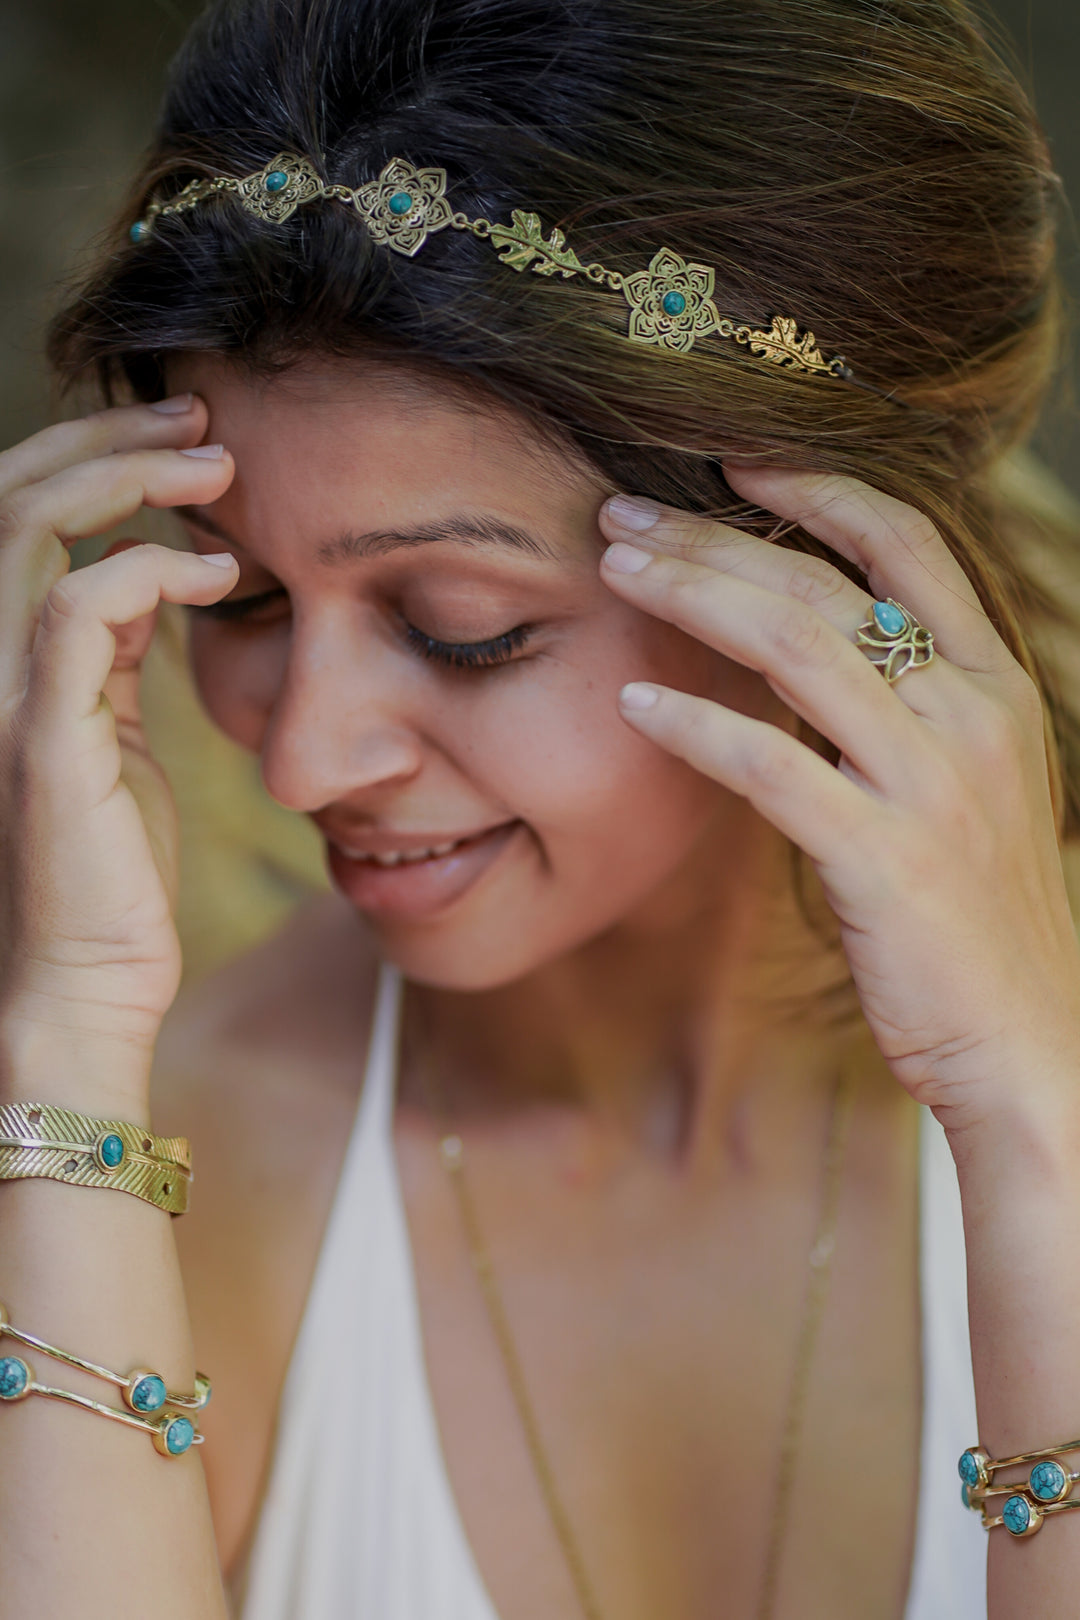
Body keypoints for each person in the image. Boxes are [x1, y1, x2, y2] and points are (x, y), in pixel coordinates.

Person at [2, 0, 1080, 1615]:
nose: (302, 766)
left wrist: (1033, 1131)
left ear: (826, 578)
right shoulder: (179, 1147)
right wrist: (66, 1040)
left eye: (464, 628)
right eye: (246, 600)